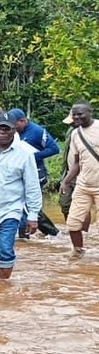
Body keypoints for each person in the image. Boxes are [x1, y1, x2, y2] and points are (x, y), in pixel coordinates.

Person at [0, 110, 42, 279]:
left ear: (15, 130)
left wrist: (33, 215)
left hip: (9, 210)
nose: (3, 132)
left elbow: (32, 186)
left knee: (5, 249)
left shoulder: (25, 154)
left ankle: (3, 285)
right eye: (0, 128)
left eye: (7, 129)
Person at [10, 108, 60, 238]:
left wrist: (32, 157)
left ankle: (49, 233)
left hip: (37, 172)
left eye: (15, 124)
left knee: (28, 205)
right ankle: (49, 233)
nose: (12, 127)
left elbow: (54, 149)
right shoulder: (13, 133)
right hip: (19, 174)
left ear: (23, 121)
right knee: (23, 205)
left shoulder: (37, 131)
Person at [62, 101, 99, 258]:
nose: (76, 117)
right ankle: (78, 253)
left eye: (80, 114)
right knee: (73, 223)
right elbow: (77, 162)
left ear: (90, 112)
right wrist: (65, 181)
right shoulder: (75, 134)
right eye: (74, 114)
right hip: (83, 185)